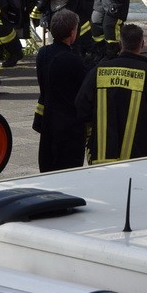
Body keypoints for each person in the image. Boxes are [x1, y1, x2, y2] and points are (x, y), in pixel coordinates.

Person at [75, 23, 147, 163]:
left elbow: (81, 107)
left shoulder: (98, 71)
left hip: (102, 155)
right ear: (142, 44)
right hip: (141, 155)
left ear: (120, 44)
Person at [34, 9, 89, 172]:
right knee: (68, 170)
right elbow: (84, 89)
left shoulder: (43, 53)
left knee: (47, 167)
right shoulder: (72, 60)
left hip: (48, 121)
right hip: (69, 127)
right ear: (72, 33)